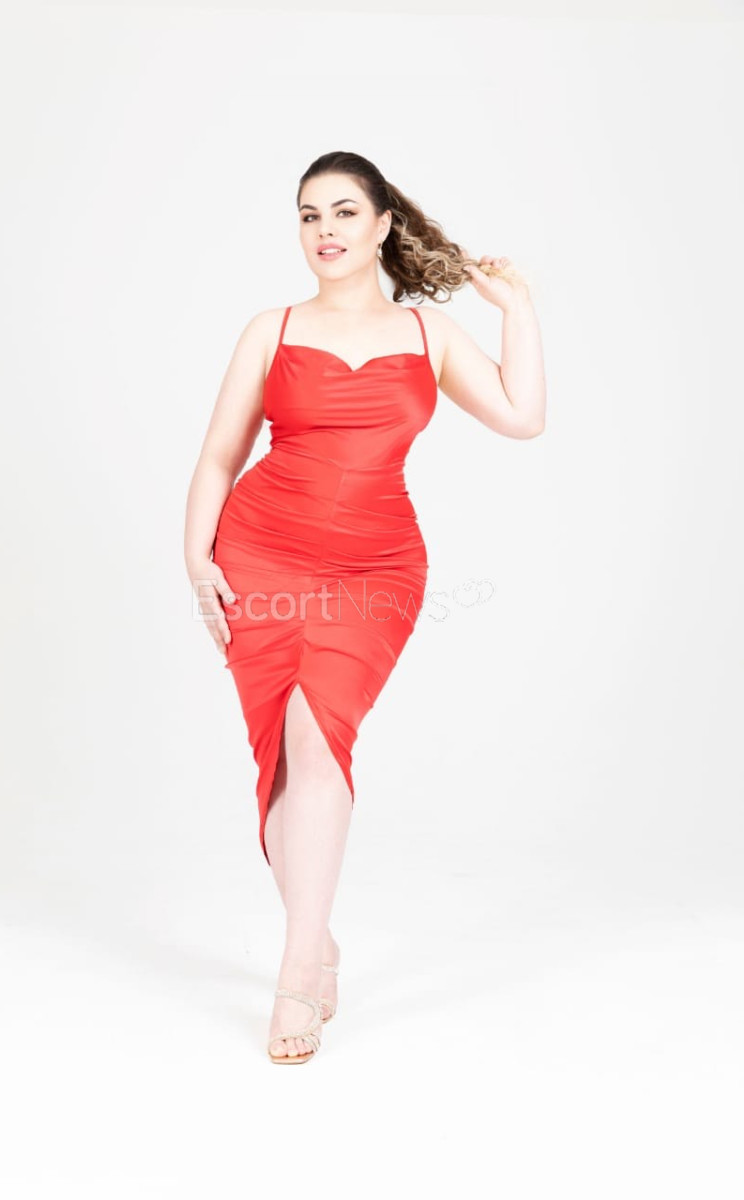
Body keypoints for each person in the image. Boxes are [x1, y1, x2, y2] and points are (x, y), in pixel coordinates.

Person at [184, 150, 546, 1064]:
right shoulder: (271, 328)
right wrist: (196, 558)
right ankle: (317, 942)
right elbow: (221, 454)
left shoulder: (429, 334)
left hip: (377, 567)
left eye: (344, 212)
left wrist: (517, 311)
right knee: (280, 755)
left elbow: (522, 416)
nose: (326, 231)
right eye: (310, 215)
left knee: (319, 739)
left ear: (383, 224)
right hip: (260, 551)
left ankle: (297, 967)